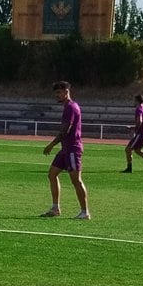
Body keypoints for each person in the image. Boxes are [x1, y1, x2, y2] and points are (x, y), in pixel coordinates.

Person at [41, 80, 90, 219]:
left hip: (73, 149)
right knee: (52, 174)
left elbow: (65, 131)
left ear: (66, 92)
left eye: (58, 92)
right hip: (65, 149)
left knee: (76, 181)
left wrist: (51, 144)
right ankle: (55, 208)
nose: (56, 95)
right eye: (55, 93)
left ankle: (85, 212)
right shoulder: (67, 107)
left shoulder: (71, 108)